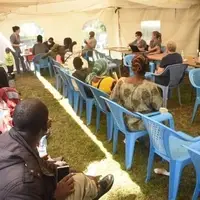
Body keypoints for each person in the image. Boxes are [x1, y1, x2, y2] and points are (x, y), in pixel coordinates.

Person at [0, 98, 114, 200]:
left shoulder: (9, 138)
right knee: (78, 182)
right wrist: (56, 196)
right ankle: (94, 191)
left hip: (36, 190)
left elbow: (36, 161)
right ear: (44, 129)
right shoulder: (23, 185)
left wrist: (59, 170)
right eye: (48, 122)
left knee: (65, 170)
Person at [110, 54, 162, 131]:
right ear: (147, 68)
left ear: (132, 67)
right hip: (140, 124)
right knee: (165, 116)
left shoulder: (121, 81)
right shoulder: (151, 87)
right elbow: (159, 107)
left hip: (122, 120)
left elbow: (112, 100)